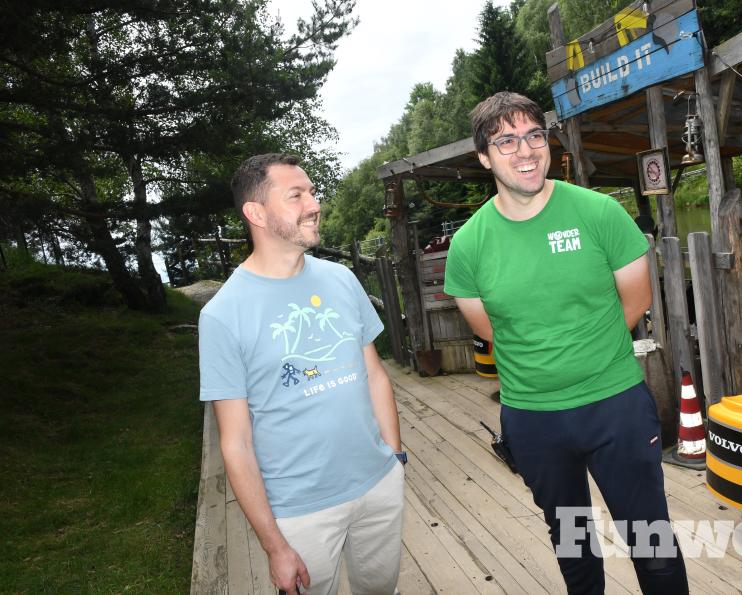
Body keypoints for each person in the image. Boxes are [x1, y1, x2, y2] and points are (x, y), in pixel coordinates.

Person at [444, 92, 689, 594]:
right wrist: (548, 356)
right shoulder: (468, 245)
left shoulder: (599, 213)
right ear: (485, 158)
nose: (526, 150)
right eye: (507, 141)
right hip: (533, 418)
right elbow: (489, 328)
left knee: (651, 541)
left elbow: (636, 302)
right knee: (573, 546)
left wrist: (584, 354)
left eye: (535, 136)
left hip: (615, 406)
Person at [198, 153, 405, 595]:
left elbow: (375, 375)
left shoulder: (342, 279)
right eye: (296, 195)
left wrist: (395, 458)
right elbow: (234, 442)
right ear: (255, 213)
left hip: (379, 484)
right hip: (299, 511)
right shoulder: (222, 315)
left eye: (312, 192)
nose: (314, 204)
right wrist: (274, 546)